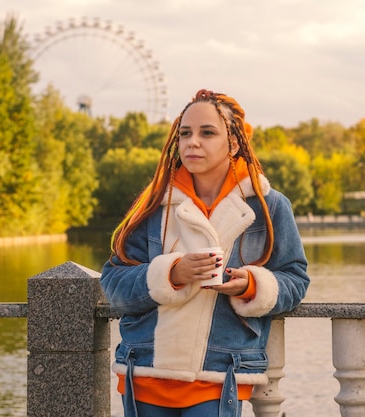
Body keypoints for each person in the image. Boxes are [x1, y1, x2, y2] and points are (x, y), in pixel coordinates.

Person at [100, 89, 310, 417]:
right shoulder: (154, 204)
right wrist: (170, 274)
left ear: (235, 142)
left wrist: (252, 285)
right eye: (185, 133)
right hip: (145, 371)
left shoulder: (269, 205)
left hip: (221, 373)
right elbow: (113, 282)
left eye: (207, 133)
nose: (192, 142)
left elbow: (295, 279)